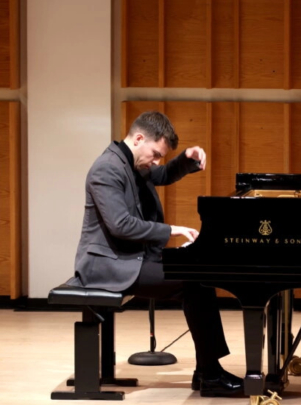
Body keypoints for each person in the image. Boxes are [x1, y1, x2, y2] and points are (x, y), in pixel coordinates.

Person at [67, 111, 243, 397]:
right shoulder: (106, 169)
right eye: (156, 153)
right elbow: (120, 224)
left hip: (129, 258)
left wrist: (187, 157)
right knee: (193, 282)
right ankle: (210, 373)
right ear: (138, 138)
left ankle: (206, 371)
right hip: (107, 266)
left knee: (199, 277)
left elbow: (161, 173)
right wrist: (170, 229)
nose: (157, 161)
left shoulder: (131, 162)